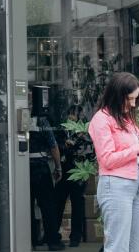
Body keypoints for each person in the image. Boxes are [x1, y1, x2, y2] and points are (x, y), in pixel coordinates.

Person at [90, 72, 139, 252]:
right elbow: (107, 159)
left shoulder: (127, 119)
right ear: (116, 95)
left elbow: (137, 155)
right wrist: (138, 147)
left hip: (138, 183)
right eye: (129, 99)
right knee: (118, 246)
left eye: (135, 99)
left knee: (137, 246)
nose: (133, 104)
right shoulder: (101, 119)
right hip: (116, 185)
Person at [57, 105, 93, 247]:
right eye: (69, 114)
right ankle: (53, 234)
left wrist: (72, 146)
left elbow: (88, 152)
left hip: (78, 171)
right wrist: (64, 146)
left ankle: (76, 237)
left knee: (77, 204)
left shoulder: (84, 133)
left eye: (73, 115)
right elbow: (58, 146)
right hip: (64, 170)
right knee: (58, 202)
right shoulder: (63, 130)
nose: (70, 117)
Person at [29, 109, 65, 251]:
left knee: (26, 206)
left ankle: (31, 239)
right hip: (40, 169)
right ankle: (53, 241)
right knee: (48, 206)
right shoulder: (42, 121)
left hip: (22, 170)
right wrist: (58, 167)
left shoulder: (15, 118)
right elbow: (53, 146)